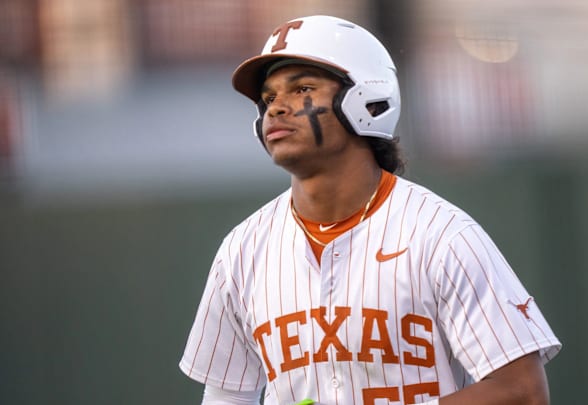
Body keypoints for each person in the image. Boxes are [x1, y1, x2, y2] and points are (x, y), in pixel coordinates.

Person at [179, 15, 561, 405]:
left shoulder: (441, 235)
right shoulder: (242, 251)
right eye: (269, 97)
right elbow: (227, 397)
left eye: (302, 88)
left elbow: (522, 392)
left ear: (366, 99)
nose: (276, 108)